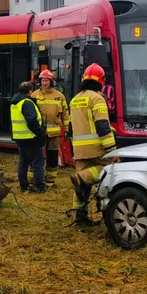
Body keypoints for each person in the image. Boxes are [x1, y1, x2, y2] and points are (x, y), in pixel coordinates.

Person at [67, 63, 116, 226]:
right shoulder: (97, 98)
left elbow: (72, 126)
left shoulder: (75, 99)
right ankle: (81, 178)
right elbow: (102, 126)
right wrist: (112, 151)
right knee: (107, 171)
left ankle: (80, 217)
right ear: (101, 81)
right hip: (97, 149)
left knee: (81, 188)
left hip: (79, 149)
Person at [11, 81, 47, 193]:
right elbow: (31, 120)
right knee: (38, 163)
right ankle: (40, 187)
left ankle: (23, 186)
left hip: (20, 137)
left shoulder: (15, 102)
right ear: (30, 91)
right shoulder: (26, 102)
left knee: (23, 162)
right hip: (31, 137)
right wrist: (40, 133)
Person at [32, 69, 68, 175]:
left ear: (51, 82)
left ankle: (50, 181)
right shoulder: (34, 95)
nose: (44, 83)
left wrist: (67, 130)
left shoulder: (60, 96)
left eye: (47, 81)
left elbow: (65, 115)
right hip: (38, 133)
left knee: (52, 157)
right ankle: (34, 179)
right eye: (43, 81)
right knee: (36, 156)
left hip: (54, 134)